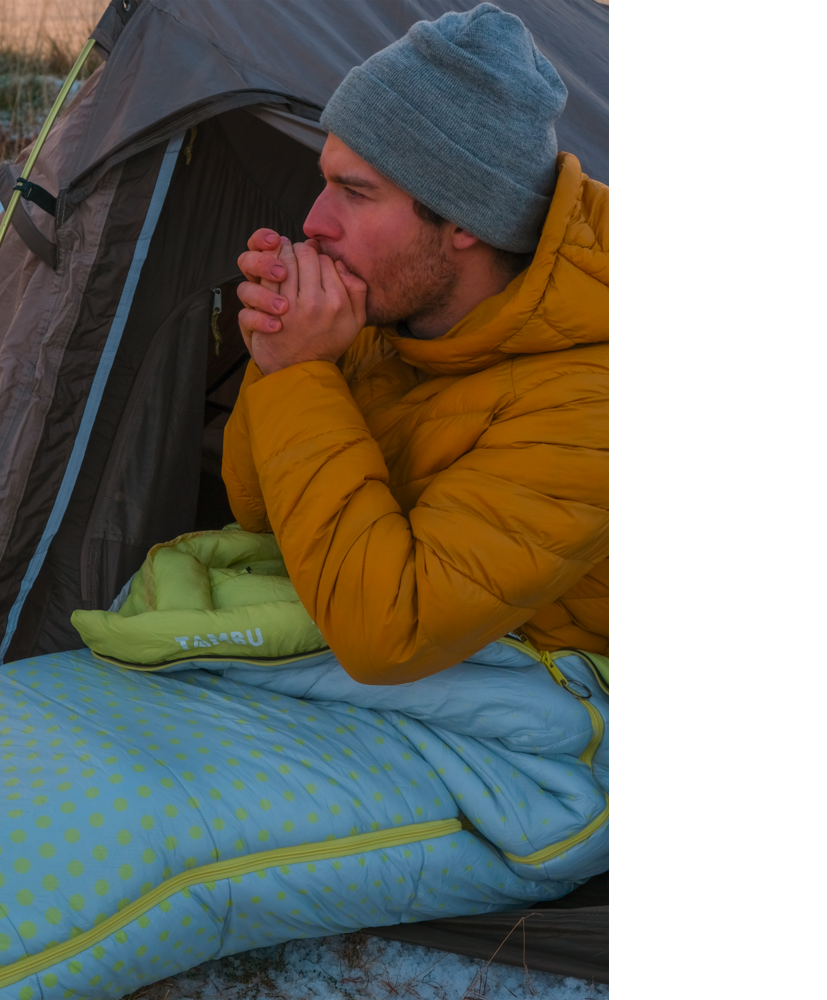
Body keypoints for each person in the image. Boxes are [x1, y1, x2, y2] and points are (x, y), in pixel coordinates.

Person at [223, 3, 608, 684]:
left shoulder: (593, 405)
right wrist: (282, 352)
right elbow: (258, 513)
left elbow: (389, 636)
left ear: (462, 220)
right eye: (325, 179)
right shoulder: (392, 312)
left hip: (553, 701)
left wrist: (301, 375)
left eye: (355, 192)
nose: (314, 222)